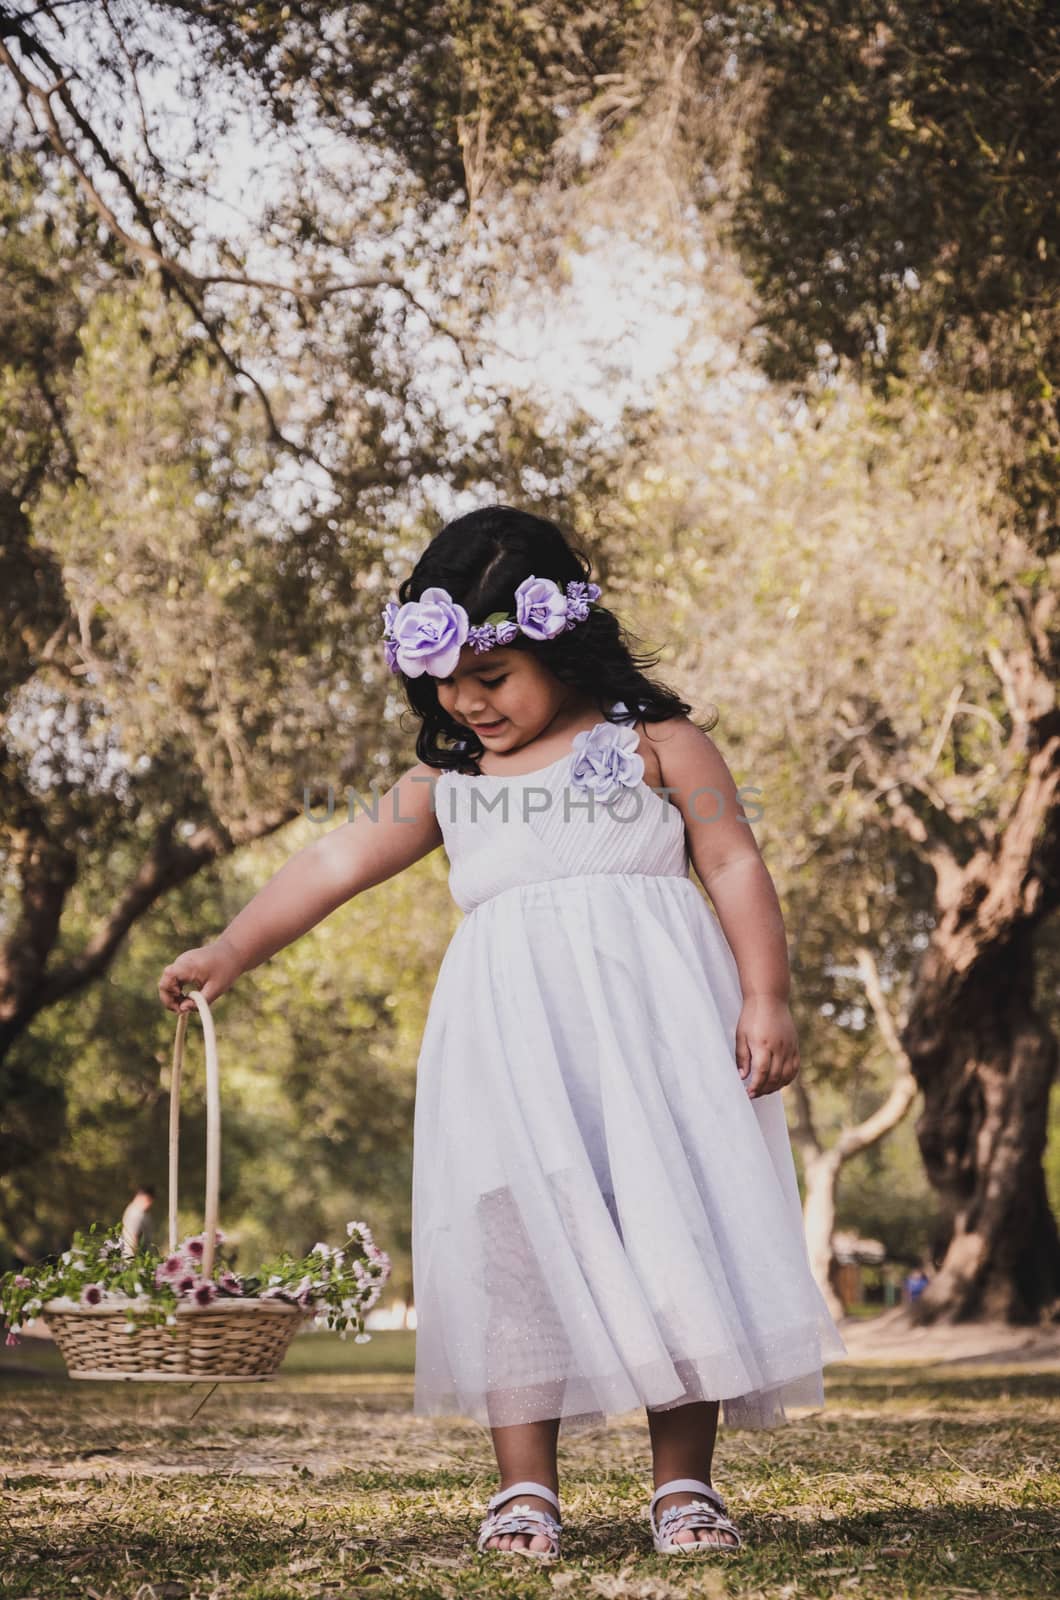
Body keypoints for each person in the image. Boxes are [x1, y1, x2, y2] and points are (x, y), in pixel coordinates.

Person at [158, 506, 847, 1561]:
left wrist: (767, 994)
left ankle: (684, 1484)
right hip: (512, 1062)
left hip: (656, 1050)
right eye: (445, 679)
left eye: (493, 674)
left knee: (676, 1234)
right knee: (513, 1255)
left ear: (563, 642)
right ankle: (525, 1489)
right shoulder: (446, 789)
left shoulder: (659, 748)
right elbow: (329, 866)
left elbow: (735, 863)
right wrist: (231, 949)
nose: (466, 701)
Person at [120, 1185, 156, 1258]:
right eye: (148, 1200)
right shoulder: (135, 1214)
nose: (149, 1204)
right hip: (134, 1258)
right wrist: (137, 1260)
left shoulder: (137, 1211)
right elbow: (133, 1237)